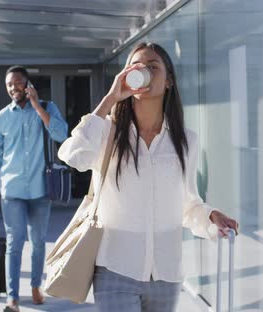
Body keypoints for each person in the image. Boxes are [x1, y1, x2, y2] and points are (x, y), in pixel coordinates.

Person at [58, 42, 239, 312]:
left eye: (153, 67)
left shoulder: (186, 141)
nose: (143, 72)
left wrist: (210, 215)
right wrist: (110, 99)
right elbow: (74, 156)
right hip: (115, 270)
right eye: (136, 67)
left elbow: (188, 206)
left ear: (169, 81)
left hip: (167, 275)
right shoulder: (107, 132)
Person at [0, 65, 68, 312]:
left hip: (41, 190)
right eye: (9, 85)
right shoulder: (1, 119)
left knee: (38, 242)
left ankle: (37, 286)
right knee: (15, 243)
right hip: (12, 191)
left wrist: (38, 106)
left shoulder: (48, 108)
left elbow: (62, 134)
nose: (13, 88)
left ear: (27, 84)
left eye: (17, 83)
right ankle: (12, 297)